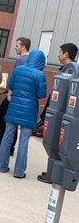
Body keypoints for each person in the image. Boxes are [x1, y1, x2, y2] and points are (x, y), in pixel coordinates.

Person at [0, 49, 47, 179]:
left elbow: (11, 86)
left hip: (14, 106)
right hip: (29, 111)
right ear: (42, 62)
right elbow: (41, 95)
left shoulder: (18, 69)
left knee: (7, 137)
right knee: (23, 141)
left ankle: (1, 166)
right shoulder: (40, 75)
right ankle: (19, 172)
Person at [37, 42, 78, 184]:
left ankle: (54, 174)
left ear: (66, 54)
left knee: (59, 144)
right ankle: (51, 171)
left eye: (60, 52)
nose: (58, 55)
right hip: (57, 113)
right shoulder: (65, 70)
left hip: (63, 114)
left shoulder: (72, 72)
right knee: (52, 143)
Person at [0, 37, 31, 155]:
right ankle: (9, 146)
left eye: (17, 46)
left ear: (23, 47)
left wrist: (9, 90)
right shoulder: (30, 60)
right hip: (21, 95)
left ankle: (5, 146)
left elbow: (16, 77)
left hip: (14, 94)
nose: (15, 48)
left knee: (5, 117)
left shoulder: (21, 60)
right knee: (11, 120)